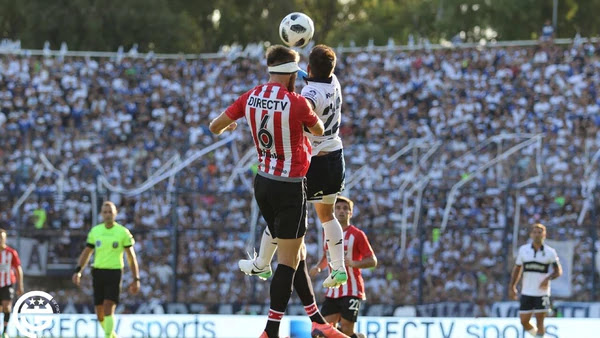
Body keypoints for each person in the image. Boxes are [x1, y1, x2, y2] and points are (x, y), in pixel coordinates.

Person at [209, 45, 347, 338]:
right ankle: (271, 330)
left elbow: (214, 126)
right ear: (291, 74)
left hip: (263, 183)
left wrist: (231, 125)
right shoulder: (297, 102)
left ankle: (317, 320)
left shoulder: (251, 96)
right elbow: (320, 130)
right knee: (288, 261)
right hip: (290, 186)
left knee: (293, 252)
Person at [239, 44, 348, 289]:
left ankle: (262, 263)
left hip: (313, 160)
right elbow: (315, 76)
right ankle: (339, 268)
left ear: (309, 68)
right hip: (335, 155)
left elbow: (303, 112)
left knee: (281, 214)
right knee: (328, 216)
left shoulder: (309, 95)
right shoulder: (334, 82)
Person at [310, 196, 377, 338]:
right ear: (333, 211)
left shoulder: (357, 235)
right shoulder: (327, 232)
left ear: (350, 213)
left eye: (345, 209)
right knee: (322, 331)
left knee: (346, 330)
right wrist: (318, 267)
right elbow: (326, 255)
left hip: (352, 290)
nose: (342, 211)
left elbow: (372, 261)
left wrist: (353, 263)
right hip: (333, 291)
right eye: (338, 208)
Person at [72, 201, 140, 338]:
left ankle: (108, 336)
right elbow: (87, 252)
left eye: (110, 212)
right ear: (101, 214)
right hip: (97, 272)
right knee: (100, 312)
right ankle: (113, 336)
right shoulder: (95, 231)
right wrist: (78, 270)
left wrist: (136, 278)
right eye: (105, 212)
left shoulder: (122, 232)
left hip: (114, 272)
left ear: (115, 214)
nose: (108, 215)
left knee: (109, 306)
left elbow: (131, 257)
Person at [509, 223, 562, 338]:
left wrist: (548, 278)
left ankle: (539, 335)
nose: (537, 235)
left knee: (540, 321)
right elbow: (517, 269)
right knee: (524, 321)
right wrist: (512, 286)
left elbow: (558, 271)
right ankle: (537, 336)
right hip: (527, 291)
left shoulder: (550, 252)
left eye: (540, 232)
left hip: (542, 293)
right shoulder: (524, 250)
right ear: (531, 234)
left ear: (544, 234)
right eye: (535, 232)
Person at [0, 229, 24, 338]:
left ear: (5, 239)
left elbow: (18, 269)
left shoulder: (11, 253)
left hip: (8, 283)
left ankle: (4, 331)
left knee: (7, 307)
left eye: (2, 238)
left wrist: (20, 285)